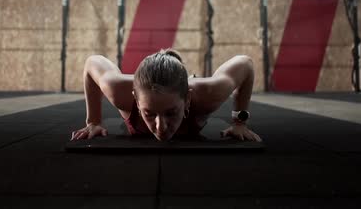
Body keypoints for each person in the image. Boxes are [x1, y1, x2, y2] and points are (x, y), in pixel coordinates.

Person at [70, 48, 262, 142]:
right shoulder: (118, 90)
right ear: (136, 101)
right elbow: (92, 62)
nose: (160, 127)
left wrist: (239, 122)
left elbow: (245, 64)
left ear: (187, 100)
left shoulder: (207, 94)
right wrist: (93, 121)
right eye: (149, 114)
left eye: (171, 113)